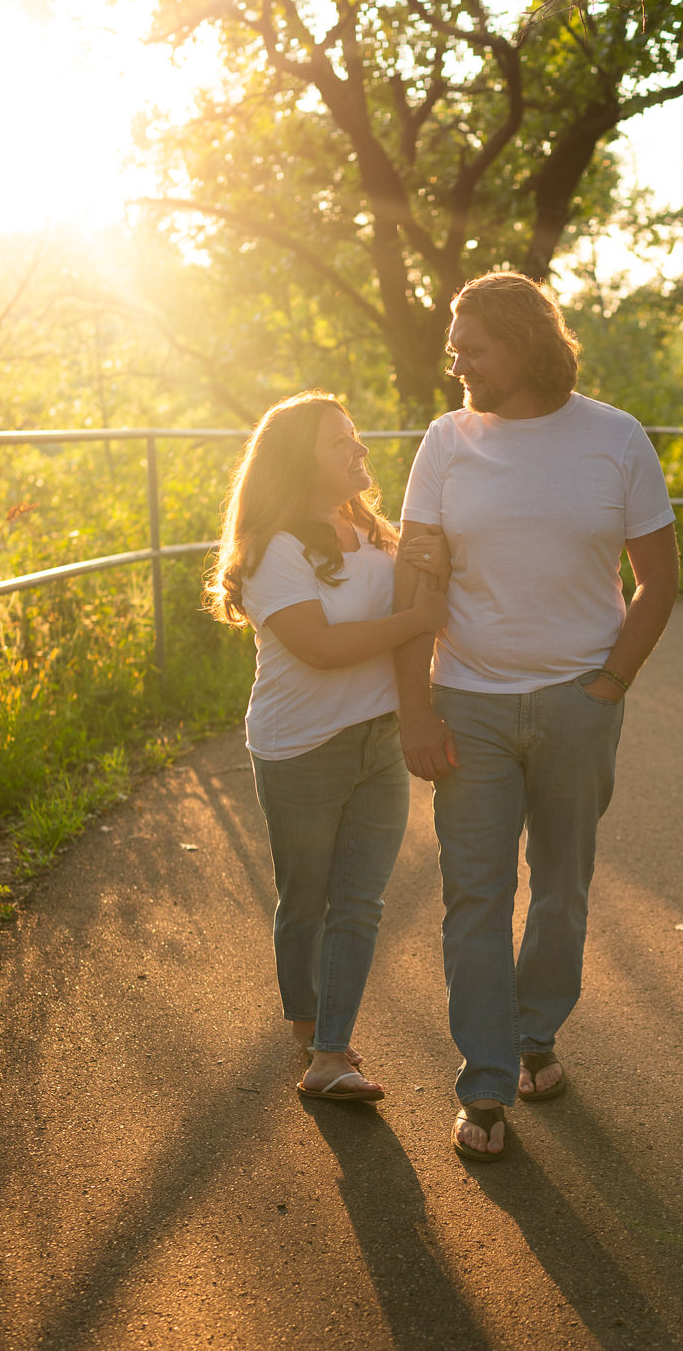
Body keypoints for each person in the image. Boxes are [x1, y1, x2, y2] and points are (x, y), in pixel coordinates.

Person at [392, 273, 679, 1160]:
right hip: (467, 704)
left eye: (472, 345)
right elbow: (414, 586)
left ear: (524, 345)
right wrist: (413, 709)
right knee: (474, 895)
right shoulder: (445, 444)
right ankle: (484, 1085)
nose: (456, 360)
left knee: (560, 888)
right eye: (454, 342)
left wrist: (610, 685)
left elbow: (659, 579)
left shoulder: (615, 438)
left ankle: (535, 1035)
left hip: (576, 705)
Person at [205, 392, 447, 1103]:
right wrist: (415, 619)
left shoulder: (370, 530)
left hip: (377, 738)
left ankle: (330, 1051)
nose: (359, 450)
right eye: (340, 442)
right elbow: (319, 648)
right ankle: (308, 1028)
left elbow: (419, 590)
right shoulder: (275, 549)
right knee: (306, 897)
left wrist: (430, 559)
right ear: (298, 461)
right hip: (301, 746)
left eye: (356, 436)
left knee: (360, 901)